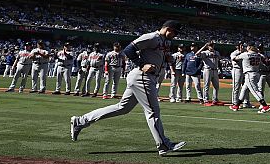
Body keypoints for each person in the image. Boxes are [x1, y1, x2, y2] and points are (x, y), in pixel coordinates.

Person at [71, 20, 187, 156]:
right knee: (153, 111)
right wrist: (142, 64)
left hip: (146, 77)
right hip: (142, 77)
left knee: (122, 108)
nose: (175, 35)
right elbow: (128, 49)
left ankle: (81, 121)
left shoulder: (164, 41)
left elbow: (158, 55)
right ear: (168, 28)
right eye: (175, 32)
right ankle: (163, 144)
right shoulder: (151, 37)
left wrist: (166, 59)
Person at [232, 42, 270, 112]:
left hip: (249, 74)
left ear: (249, 47)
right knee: (244, 89)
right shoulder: (259, 55)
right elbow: (268, 63)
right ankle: (236, 105)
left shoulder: (245, 54)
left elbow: (234, 59)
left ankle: (265, 106)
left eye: (247, 46)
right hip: (256, 73)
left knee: (255, 91)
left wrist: (241, 53)